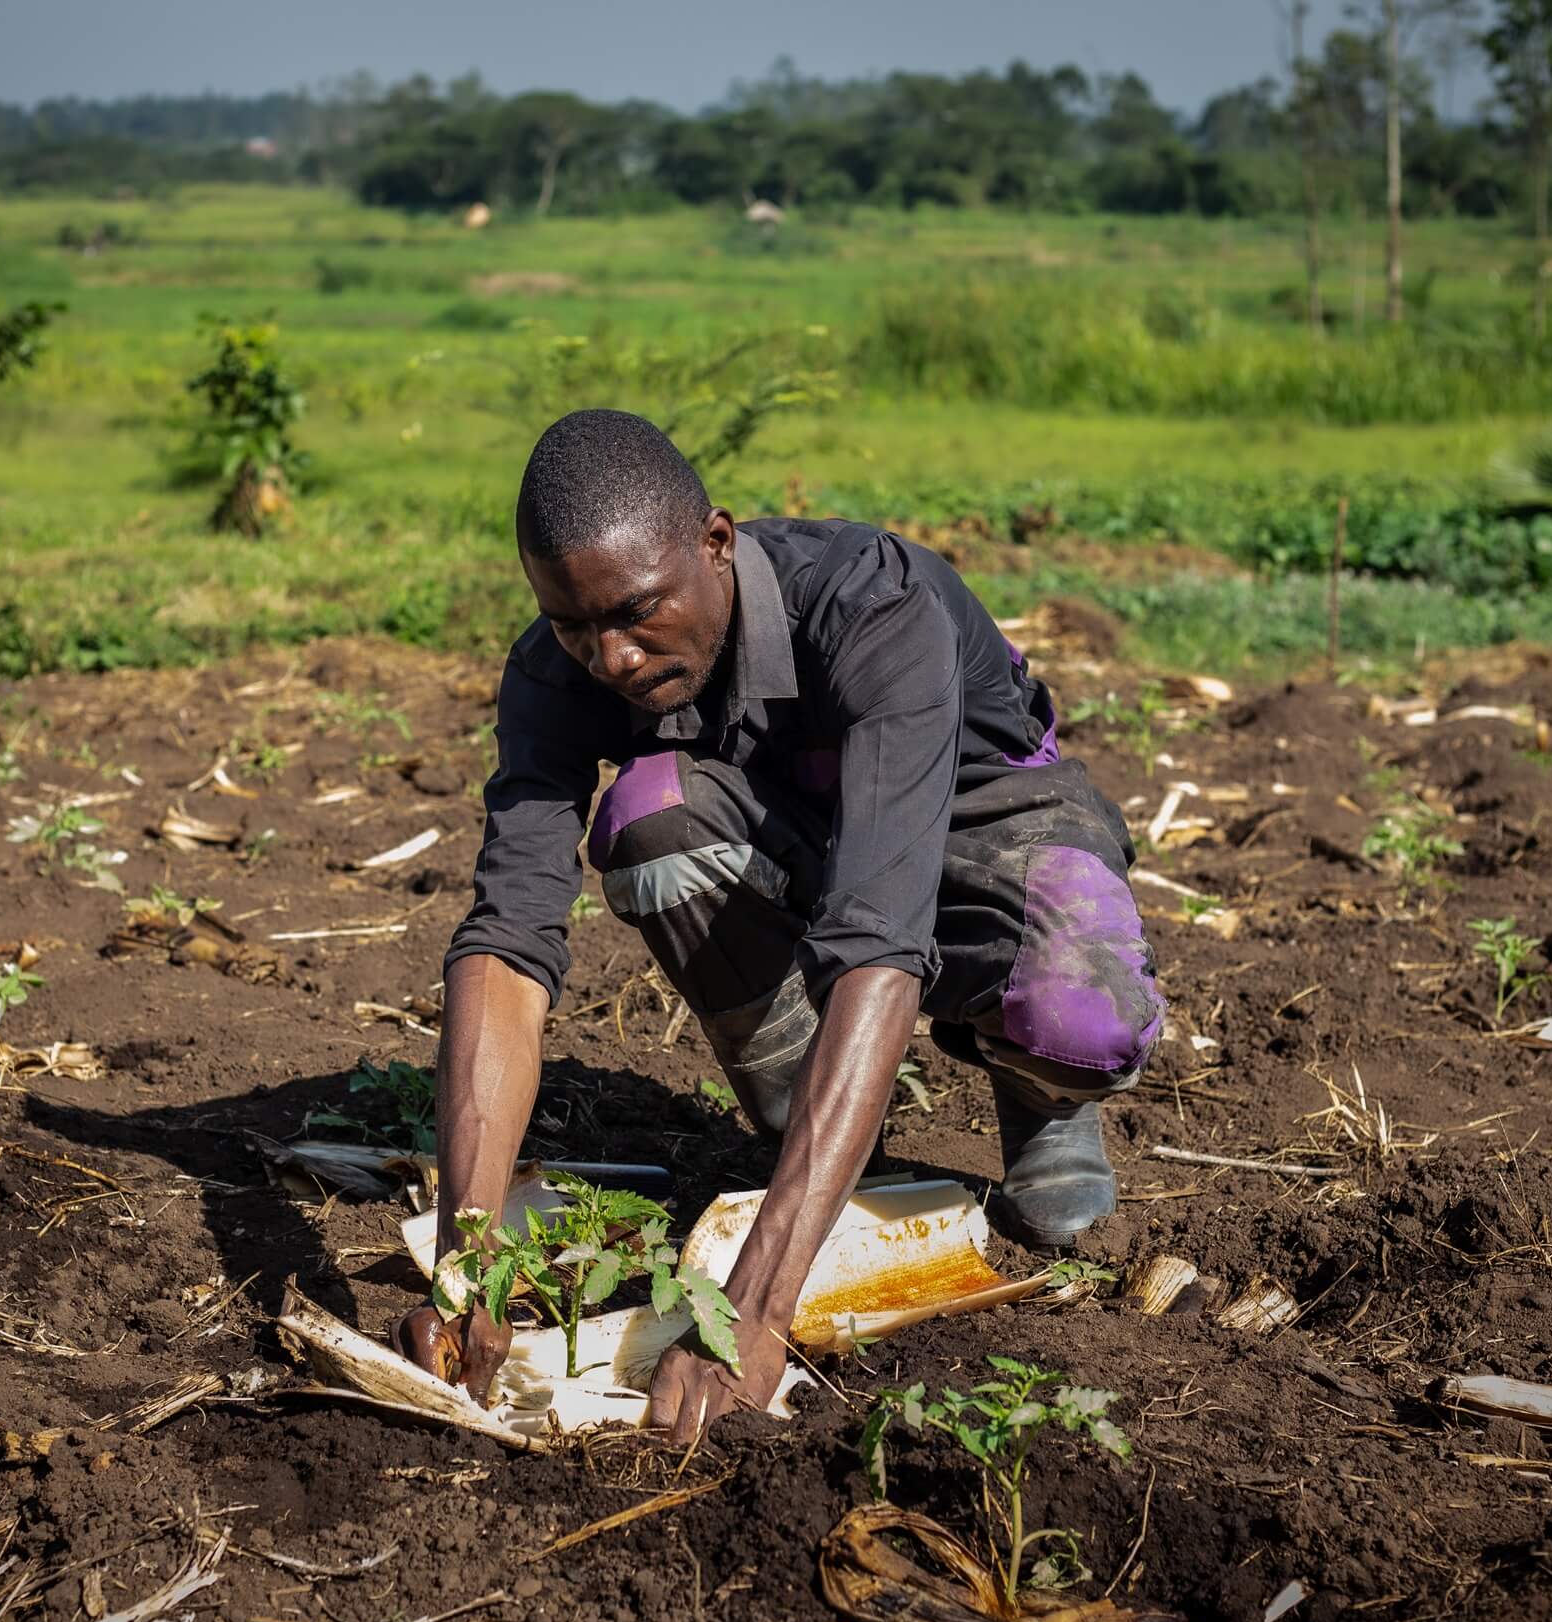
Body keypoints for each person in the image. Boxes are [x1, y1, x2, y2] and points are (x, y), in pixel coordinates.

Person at [398, 409, 1160, 1440]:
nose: (610, 658)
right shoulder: (557, 670)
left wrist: (752, 1313)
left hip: (984, 823)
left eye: (636, 612)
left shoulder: (869, 607)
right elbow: (508, 942)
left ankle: (1037, 1090)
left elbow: (878, 938)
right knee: (649, 820)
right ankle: (823, 1127)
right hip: (791, 821)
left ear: (716, 542)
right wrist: (466, 1256)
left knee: (1086, 1019)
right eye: (575, 627)